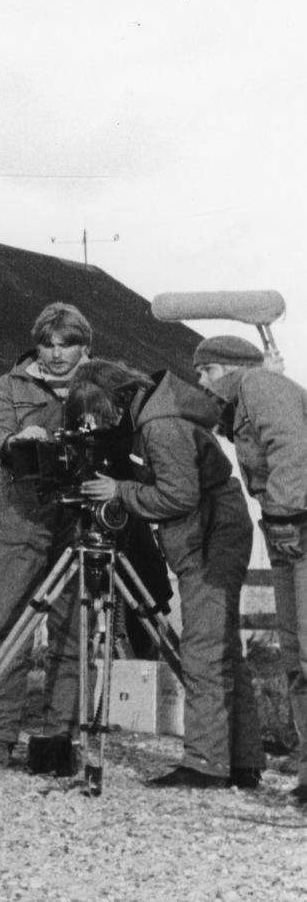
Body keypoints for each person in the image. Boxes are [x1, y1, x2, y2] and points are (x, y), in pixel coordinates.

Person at [74, 360, 264, 789]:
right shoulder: (160, 412)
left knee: (203, 648)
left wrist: (119, 490)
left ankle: (205, 764)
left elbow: (178, 495)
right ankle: (241, 759)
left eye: (101, 415)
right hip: (215, 525)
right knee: (222, 647)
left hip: (210, 532)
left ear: (117, 401)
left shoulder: (160, 426)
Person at [0, 302, 91, 767]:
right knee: (8, 626)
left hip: (79, 518)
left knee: (72, 628)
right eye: (49, 343)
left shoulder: (100, 386)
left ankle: (59, 742)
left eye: (68, 344)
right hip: (23, 516)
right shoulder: (11, 385)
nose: (58, 353)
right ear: (37, 345)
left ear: (85, 347)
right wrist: (15, 442)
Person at [192, 334, 307, 807]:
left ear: (225, 368)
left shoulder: (259, 387)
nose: (200, 381)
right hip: (287, 527)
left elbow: (293, 451)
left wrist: (282, 516)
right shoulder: (249, 397)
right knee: (295, 657)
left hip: (295, 522)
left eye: (204, 371)